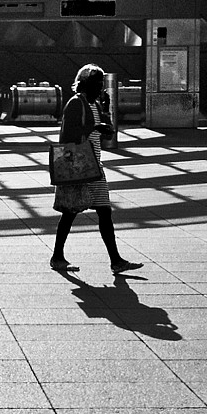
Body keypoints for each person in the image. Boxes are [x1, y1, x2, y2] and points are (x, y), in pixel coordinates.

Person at [50, 63, 135, 273]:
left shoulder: (95, 105)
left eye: (102, 83)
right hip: (80, 167)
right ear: (85, 84)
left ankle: (116, 260)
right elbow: (68, 136)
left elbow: (107, 134)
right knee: (70, 212)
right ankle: (57, 256)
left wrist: (105, 114)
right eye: (97, 83)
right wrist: (94, 127)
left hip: (95, 167)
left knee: (104, 212)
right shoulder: (75, 104)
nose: (100, 87)